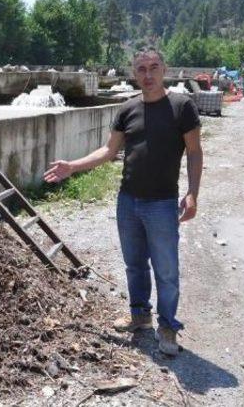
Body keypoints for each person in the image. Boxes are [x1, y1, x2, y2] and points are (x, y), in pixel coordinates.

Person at [43, 47, 203, 356]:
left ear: (164, 69)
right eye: (141, 68)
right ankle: (139, 314)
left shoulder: (182, 106)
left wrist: (193, 193)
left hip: (161, 203)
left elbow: (195, 152)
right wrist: (72, 166)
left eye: (154, 67)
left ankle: (167, 325)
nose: (148, 74)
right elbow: (107, 151)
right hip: (128, 201)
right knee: (134, 264)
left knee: (166, 269)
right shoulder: (127, 109)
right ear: (134, 73)